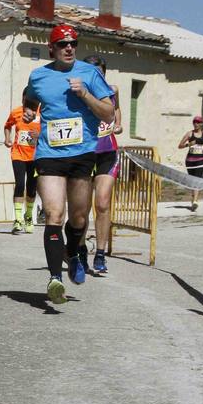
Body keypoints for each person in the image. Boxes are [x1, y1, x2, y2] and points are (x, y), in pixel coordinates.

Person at [26, 24, 117, 304]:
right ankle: (55, 278)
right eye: (63, 44)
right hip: (49, 154)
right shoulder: (39, 75)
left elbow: (109, 113)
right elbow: (29, 96)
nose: (69, 48)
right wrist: (30, 111)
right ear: (51, 48)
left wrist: (85, 95)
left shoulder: (89, 74)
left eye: (73, 44)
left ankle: (76, 250)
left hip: (82, 154)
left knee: (78, 218)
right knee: (54, 214)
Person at [83, 54, 121, 274]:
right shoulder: (79, 93)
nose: (96, 76)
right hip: (84, 153)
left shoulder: (113, 90)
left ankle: (100, 253)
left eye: (100, 72)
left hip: (107, 152)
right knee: (82, 208)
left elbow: (117, 114)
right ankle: (79, 249)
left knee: (103, 204)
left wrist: (119, 125)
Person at [3, 92, 41, 234]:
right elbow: (7, 125)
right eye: (25, 101)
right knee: (20, 184)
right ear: (23, 99)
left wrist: (40, 136)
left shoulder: (41, 113)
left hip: (35, 156)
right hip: (18, 154)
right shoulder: (16, 112)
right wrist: (7, 138)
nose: (28, 104)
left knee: (31, 187)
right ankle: (18, 219)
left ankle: (29, 216)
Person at [178, 116, 203, 209]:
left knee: (197, 180)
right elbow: (180, 146)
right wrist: (188, 144)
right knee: (192, 181)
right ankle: (193, 199)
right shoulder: (189, 134)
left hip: (201, 160)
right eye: (195, 122)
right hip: (190, 161)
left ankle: (195, 201)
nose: (196, 124)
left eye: (198, 122)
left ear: (201, 124)